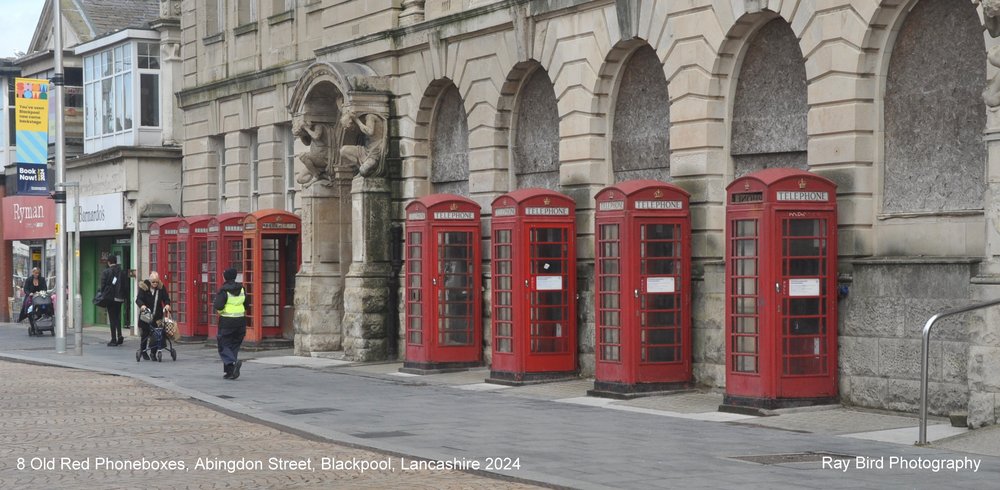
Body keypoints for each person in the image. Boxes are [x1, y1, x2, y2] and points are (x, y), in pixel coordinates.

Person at [213, 268, 246, 380]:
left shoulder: (223, 290)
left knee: (223, 345)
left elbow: (218, 306)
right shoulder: (242, 289)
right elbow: (247, 304)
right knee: (233, 346)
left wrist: (222, 311)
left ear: (225, 277)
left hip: (227, 322)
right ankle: (230, 372)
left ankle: (234, 362)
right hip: (241, 322)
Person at [135, 272, 171, 360]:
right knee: (145, 334)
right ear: (149, 281)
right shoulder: (144, 287)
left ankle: (153, 353)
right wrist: (142, 305)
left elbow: (166, 298)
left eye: (157, 282)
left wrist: (167, 304)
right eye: (153, 282)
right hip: (146, 314)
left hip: (157, 315)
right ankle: (143, 351)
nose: (155, 284)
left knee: (156, 334)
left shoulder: (161, 288)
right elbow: (138, 299)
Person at [99, 255, 129, 346]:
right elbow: (126, 286)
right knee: (117, 317)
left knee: (112, 318)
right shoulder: (122, 272)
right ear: (116, 262)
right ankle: (120, 335)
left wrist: (103, 294)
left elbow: (103, 285)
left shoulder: (106, 272)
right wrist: (126, 297)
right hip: (119, 298)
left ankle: (113, 339)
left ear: (109, 262)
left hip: (110, 298)